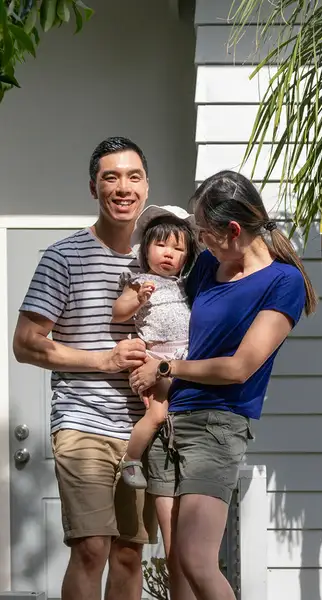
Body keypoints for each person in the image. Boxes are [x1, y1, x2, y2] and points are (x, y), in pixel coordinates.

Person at [129, 170, 318, 600]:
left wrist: (165, 369)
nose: (199, 240)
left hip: (216, 426)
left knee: (197, 558)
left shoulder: (281, 282)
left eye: (204, 231)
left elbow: (240, 368)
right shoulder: (210, 267)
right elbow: (170, 315)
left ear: (233, 231)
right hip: (169, 419)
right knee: (176, 560)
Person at [12, 137, 158, 600]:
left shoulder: (161, 259)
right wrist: (105, 360)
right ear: (93, 189)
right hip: (83, 422)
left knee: (129, 553)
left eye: (133, 177)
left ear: (146, 188)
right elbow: (26, 344)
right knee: (92, 547)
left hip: (144, 429)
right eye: (110, 177)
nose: (122, 187)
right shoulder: (64, 257)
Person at [112, 205, 197, 489]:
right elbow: (119, 312)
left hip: (181, 356)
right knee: (158, 414)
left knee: (175, 412)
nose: (168, 253)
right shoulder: (139, 282)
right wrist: (138, 298)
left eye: (178, 248)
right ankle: (132, 459)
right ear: (145, 249)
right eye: (161, 245)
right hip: (154, 356)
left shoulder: (184, 286)